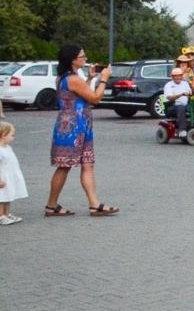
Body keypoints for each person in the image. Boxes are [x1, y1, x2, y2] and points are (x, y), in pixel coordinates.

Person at [43, 46, 117, 217]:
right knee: (64, 165)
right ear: (73, 59)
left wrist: (91, 77)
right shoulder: (72, 78)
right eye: (82, 56)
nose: (85, 58)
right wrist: (104, 79)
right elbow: (95, 98)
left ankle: (94, 204)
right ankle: (51, 205)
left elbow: (80, 93)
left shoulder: (66, 77)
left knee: (87, 164)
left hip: (80, 125)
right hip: (72, 127)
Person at [0, 120, 28, 225]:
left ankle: (7, 214)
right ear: (3, 135)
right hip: (3, 176)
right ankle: (1, 215)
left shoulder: (7, 147)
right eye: (12, 135)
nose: (14, 137)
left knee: (8, 196)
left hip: (9, 176)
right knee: (1, 197)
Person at [163, 66, 193, 133]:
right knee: (181, 107)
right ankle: (182, 130)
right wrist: (181, 94)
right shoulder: (169, 85)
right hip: (171, 106)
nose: (178, 77)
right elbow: (169, 97)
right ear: (172, 77)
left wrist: (192, 93)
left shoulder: (185, 83)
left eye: (179, 76)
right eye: (175, 76)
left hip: (185, 105)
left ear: (182, 76)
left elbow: (190, 93)